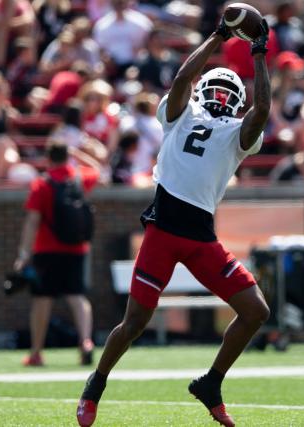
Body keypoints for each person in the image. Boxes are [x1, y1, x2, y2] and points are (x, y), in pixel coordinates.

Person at [76, 16, 272, 427]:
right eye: (214, 89)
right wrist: (218, 35)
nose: (219, 96)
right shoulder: (179, 113)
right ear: (204, 91)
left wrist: (259, 55)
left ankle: (211, 382)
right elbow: (184, 78)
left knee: (255, 310)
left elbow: (262, 111)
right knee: (134, 323)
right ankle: (96, 383)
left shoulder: (238, 132)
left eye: (227, 92)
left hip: (201, 238)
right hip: (164, 232)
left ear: (237, 102)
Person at [14, 139, 100, 367]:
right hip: (77, 248)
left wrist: (23, 254)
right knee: (77, 297)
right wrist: (78, 155)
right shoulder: (80, 178)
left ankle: (36, 353)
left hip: (46, 250)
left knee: (42, 300)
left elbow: (32, 221)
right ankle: (86, 341)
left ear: (48, 158)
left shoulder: (41, 185)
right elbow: (99, 170)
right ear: (67, 155)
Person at [92, 0, 152, 79]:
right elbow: (100, 49)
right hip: (112, 66)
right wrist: (107, 59)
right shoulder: (102, 25)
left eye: (121, 2)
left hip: (136, 64)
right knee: (98, 71)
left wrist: (140, 53)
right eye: (116, 2)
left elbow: (149, 43)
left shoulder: (141, 22)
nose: (119, 5)